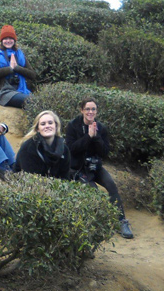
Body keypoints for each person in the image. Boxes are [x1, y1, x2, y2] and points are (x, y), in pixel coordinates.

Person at [65, 98, 134, 239]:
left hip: (95, 166)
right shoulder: (73, 126)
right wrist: (88, 137)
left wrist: (96, 137)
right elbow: (71, 149)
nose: (90, 112)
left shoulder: (101, 128)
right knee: (93, 192)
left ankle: (121, 221)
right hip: (78, 168)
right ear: (82, 110)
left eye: (93, 109)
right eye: (88, 109)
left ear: (96, 111)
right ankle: (97, 225)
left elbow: (104, 152)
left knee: (111, 186)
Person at [0, 25, 37, 108]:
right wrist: (10, 69)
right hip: (5, 92)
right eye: (5, 38)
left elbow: (32, 74)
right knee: (30, 101)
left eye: (10, 38)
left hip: (21, 90)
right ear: (1, 40)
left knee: (36, 101)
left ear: (14, 40)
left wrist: (17, 68)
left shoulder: (20, 55)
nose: (8, 41)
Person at [13, 110, 70, 179]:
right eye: (43, 124)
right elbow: (30, 179)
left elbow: (65, 178)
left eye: (50, 123)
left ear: (56, 126)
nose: (47, 126)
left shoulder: (64, 149)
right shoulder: (28, 147)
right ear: (37, 129)